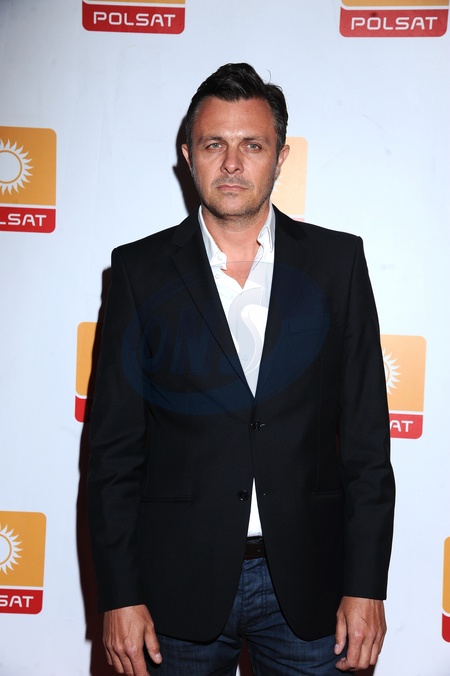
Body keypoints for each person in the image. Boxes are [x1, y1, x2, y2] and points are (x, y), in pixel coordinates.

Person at [88, 63, 395, 675]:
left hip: (311, 588)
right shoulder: (138, 273)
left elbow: (366, 443)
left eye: (252, 145)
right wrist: (120, 594)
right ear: (188, 155)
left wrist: (367, 586)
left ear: (280, 157)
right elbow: (112, 453)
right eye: (213, 145)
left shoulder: (337, 264)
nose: (232, 163)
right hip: (174, 590)